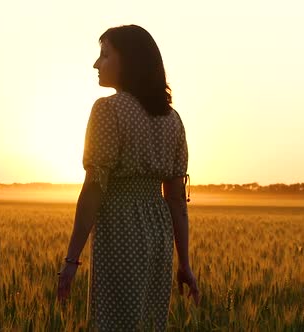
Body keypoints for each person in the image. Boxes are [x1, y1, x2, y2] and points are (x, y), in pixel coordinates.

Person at [57, 24, 200, 331]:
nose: (96, 63)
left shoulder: (108, 110)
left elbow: (94, 188)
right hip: (159, 233)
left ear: (129, 62)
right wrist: (185, 264)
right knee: (148, 323)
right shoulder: (172, 118)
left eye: (105, 55)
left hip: (120, 226)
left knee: (111, 322)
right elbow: (176, 199)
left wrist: (71, 262)